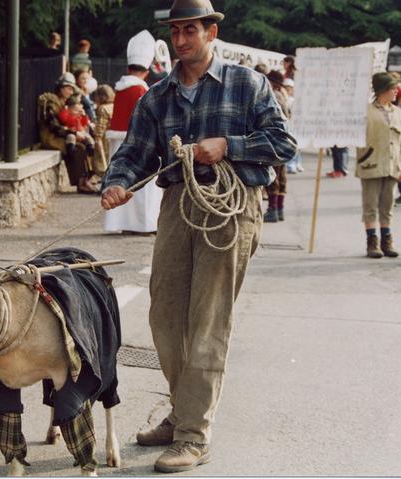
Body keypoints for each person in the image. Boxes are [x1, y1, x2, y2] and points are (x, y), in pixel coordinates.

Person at [100, 0, 296, 472]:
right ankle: (180, 411)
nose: (182, 39)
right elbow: (135, 152)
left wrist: (229, 146)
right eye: (176, 31)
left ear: (211, 32)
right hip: (177, 205)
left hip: (231, 208)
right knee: (166, 318)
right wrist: (117, 182)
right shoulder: (157, 96)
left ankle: (193, 434)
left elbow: (284, 143)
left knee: (207, 322)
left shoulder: (246, 84)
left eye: (191, 30)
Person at [103, 29, 163, 234]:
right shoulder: (140, 90)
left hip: (119, 142)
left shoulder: (120, 87)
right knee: (142, 187)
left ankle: (125, 223)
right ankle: (143, 224)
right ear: (146, 69)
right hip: (136, 143)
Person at [356, 72, 401, 258]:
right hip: (371, 164)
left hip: (392, 165)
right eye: (393, 88)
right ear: (383, 90)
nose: (397, 91)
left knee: (388, 205)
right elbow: (355, 137)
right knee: (370, 205)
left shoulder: (397, 112)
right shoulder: (365, 111)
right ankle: (372, 242)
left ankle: (387, 240)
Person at [38, 72, 97, 193]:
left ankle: (86, 178)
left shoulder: (63, 104)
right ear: (60, 88)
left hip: (61, 134)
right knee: (77, 148)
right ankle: (80, 183)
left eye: (71, 89)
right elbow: (54, 127)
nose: (70, 92)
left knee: (86, 145)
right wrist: (74, 134)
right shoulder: (52, 104)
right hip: (51, 137)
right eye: (68, 88)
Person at [263, 70, 290, 222]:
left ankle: (273, 209)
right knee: (281, 176)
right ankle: (279, 209)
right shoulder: (283, 96)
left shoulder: (272, 96)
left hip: (274, 140)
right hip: (285, 140)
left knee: (273, 176)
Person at [58, 93, 96, 158]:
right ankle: (71, 150)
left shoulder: (79, 115)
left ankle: (91, 148)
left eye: (78, 110)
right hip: (72, 131)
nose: (77, 112)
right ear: (69, 108)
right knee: (71, 137)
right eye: (75, 110)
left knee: (88, 137)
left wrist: (84, 115)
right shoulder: (67, 114)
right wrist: (68, 112)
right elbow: (63, 119)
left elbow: (84, 123)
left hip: (81, 131)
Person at [92, 84, 116, 182]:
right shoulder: (114, 106)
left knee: (102, 160)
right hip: (113, 136)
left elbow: (101, 125)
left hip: (104, 137)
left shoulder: (102, 108)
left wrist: (97, 137)